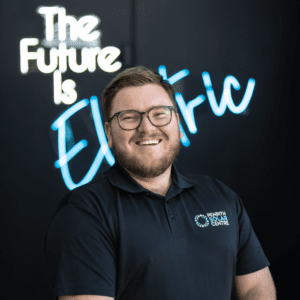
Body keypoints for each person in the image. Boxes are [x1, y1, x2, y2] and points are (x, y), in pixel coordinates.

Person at [44, 66, 277, 300]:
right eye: (129, 117)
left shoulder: (220, 196)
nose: (146, 127)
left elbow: (256, 286)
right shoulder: (85, 211)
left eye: (159, 113)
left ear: (176, 120)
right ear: (109, 133)